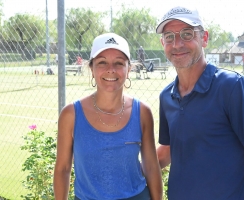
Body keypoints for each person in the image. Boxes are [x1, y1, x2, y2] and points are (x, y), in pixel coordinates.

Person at [155, 6, 244, 200]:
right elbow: (169, 150)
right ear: (163, 43)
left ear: (204, 38)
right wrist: (127, 168)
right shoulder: (167, 96)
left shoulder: (233, 87)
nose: (177, 44)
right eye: (169, 36)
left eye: (187, 34)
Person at [54, 33, 163, 200]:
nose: (111, 69)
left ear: (129, 69)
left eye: (119, 63)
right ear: (92, 68)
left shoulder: (142, 112)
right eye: (102, 62)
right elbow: (62, 168)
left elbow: (151, 166)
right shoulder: (71, 114)